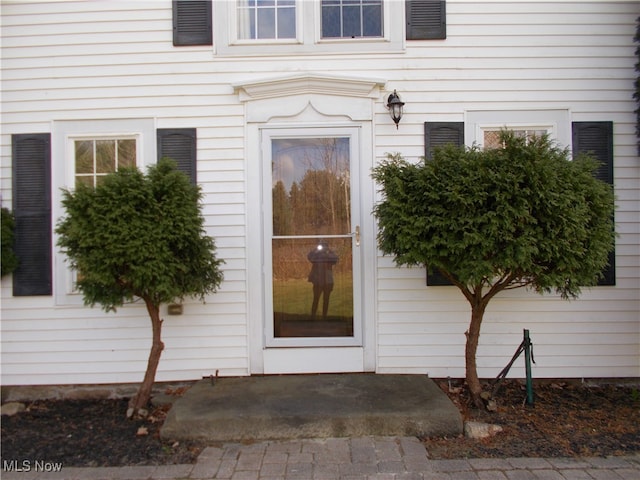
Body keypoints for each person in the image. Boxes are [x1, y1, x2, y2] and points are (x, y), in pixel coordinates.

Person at [307, 242, 339, 319]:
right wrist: (316, 250)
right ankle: (313, 316)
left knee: (326, 299)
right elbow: (309, 257)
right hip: (318, 281)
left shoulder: (329, 256)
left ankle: (324, 316)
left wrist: (329, 251)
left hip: (327, 281)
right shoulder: (317, 256)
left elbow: (335, 259)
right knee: (316, 299)